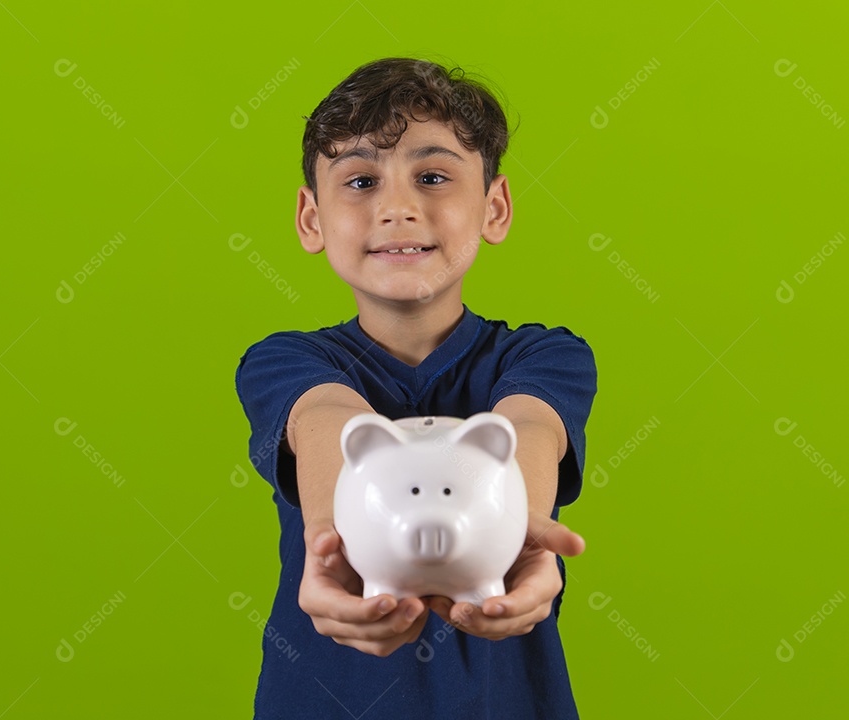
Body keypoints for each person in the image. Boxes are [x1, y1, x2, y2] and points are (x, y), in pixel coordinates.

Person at [234, 56, 598, 719]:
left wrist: (518, 537)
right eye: (362, 180)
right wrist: (332, 546)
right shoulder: (283, 362)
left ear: (494, 208)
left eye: (432, 177)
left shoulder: (547, 356)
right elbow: (326, 424)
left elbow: (528, 430)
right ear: (311, 219)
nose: (398, 208)